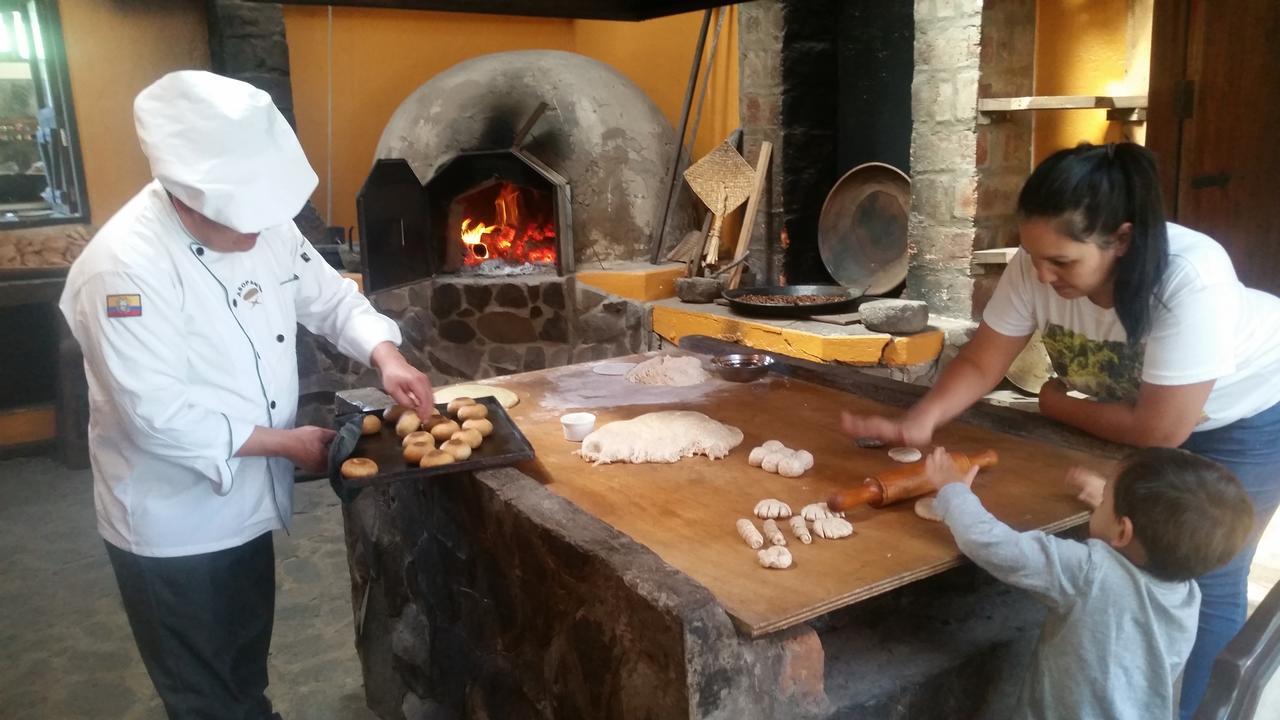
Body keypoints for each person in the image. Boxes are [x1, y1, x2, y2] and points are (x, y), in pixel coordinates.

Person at [843, 142, 1280, 717]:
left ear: (1120, 240)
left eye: (1062, 263)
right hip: (1138, 417)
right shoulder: (1037, 265)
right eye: (1035, 257)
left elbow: (1159, 428)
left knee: (1205, 572)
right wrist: (919, 420)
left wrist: (1054, 405)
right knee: (1120, 560)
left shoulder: (1189, 278)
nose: (1043, 276)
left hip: (1243, 416)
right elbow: (982, 361)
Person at [59, 71, 433, 719]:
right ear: (187, 197)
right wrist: (285, 445)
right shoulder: (123, 269)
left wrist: (386, 353)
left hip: (245, 505)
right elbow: (157, 416)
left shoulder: (262, 224)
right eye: (245, 224)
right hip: (173, 520)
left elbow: (330, 298)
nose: (262, 236)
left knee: (241, 670)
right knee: (206, 694)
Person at [922, 446, 1252, 719]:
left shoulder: (1089, 572)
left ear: (1123, 532)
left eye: (1107, 496)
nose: (1102, 498)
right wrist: (1112, 506)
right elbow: (1154, 534)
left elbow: (989, 543)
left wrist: (952, 489)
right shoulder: (1186, 592)